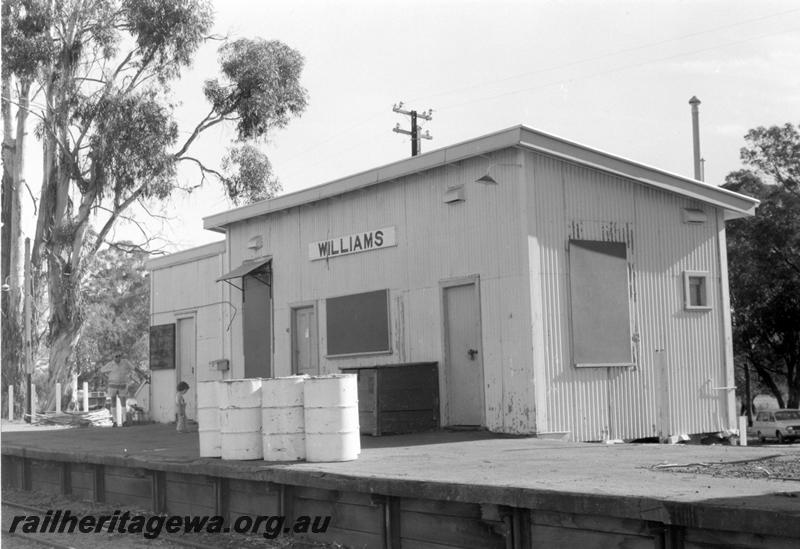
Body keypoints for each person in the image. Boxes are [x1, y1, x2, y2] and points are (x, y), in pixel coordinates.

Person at [101, 352, 135, 423]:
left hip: (122, 385)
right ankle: (115, 421)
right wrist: (108, 378)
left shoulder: (125, 362)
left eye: (119, 356)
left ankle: (124, 420)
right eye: (116, 356)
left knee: (123, 402)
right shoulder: (110, 364)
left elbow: (133, 368)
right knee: (113, 402)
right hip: (112, 385)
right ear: (114, 357)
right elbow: (102, 370)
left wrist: (143, 374)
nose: (118, 357)